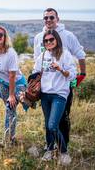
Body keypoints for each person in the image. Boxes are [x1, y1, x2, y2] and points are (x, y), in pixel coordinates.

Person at [34, 8, 86, 151]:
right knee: (49, 120)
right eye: (46, 18)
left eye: (51, 17)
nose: (48, 20)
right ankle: (50, 146)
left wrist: (81, 76)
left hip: (63, 85)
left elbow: (80, 54)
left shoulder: (68, 36)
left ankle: (64, 145)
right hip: (46, 88)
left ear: (57, 18)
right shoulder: (39, 37)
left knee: (63, 116)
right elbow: (37, 60)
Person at [35, 30, 76, 165]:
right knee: (48, 124)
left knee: (53, 125)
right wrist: (36, 78)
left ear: (57, 40)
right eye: (46, 41)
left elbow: (72, 76)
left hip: (59, 94)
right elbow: (35, 72)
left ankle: (63, 152)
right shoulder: (42, 55)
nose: (48, 42)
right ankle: (50, 149)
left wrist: (60, 69)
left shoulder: (65, 54)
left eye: (51, 40)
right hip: (45, 94)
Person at [0, 25, 27, 144]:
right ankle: (11, 137)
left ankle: (8, 139)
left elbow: (12, 75)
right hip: (3, 83)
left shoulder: (11, 53)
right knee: (10, 110)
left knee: (10, 108)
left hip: (17, 83)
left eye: (0, 35)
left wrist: (12, 95)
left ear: (5, 37)